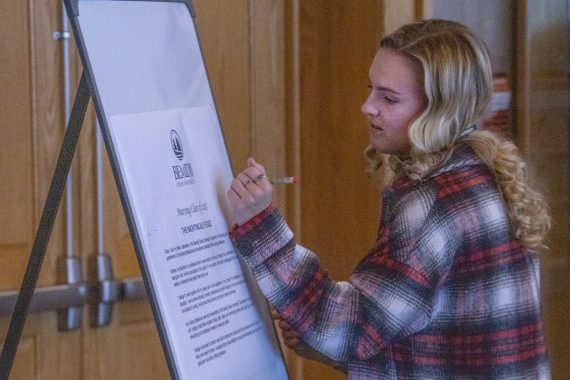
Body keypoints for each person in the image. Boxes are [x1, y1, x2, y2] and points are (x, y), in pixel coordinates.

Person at [226, 19, 551, 379]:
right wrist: (315, 335)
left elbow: (350, 330)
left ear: (438, 111)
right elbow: (426, 338)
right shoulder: (482, 173)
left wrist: (261, 226)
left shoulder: (432, 204)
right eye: (371, 89)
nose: (367, 107)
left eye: (389, 98)